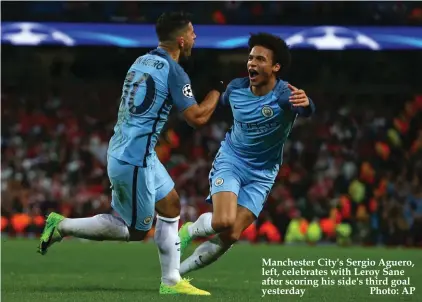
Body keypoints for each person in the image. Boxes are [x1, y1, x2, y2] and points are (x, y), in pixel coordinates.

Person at [38, 11, 224, 296]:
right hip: (133, 158)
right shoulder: (174, 71)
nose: (196, 37)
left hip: (137, 151)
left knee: (171, 205)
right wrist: (216, 92)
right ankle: (62, 225)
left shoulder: (141, 61)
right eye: (193, 33)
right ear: (182, 39)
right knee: (136, 230)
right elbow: (197, 118)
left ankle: (171, 281)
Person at [178, 33, 316, 275]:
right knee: (222, 221)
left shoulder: (284, 95)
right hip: (232, 160)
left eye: (260, 59)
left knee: (231, 234)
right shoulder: (235, 89)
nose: (252, 63)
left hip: (263, 172)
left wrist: (307, 104)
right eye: (251, 58)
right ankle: (188, 231)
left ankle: (177, 274)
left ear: (275, 67)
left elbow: (304, 109)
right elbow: (216, 108)